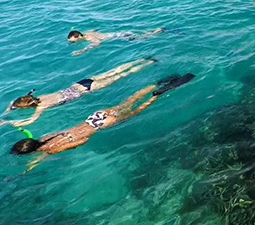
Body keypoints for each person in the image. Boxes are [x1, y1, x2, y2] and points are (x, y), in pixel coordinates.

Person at [10, 73, 195, 171]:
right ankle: (155, 84)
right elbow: (44, 149)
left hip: (100, 126)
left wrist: (71, 145)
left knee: (138, 110)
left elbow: (83, 141)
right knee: (127, 102)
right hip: (93, 117)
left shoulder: (52, 149)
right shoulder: (44, 138)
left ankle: (156, 94)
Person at [0, 57, 155, 127]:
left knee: (122, 75)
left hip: (87, 89)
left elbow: (29, 121)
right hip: (80, 83)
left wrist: (6, 121)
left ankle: (147, 64)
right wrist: (9, 108)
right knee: (114, 70)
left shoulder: (40, 107)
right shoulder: (36, 96)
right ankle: (141, 59)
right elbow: (15, 100)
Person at [68, 27, 163, 56]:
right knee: (141, 35)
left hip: (121, 36)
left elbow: (97, 43)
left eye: (74, 40)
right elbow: (94, 29)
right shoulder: (86, 32)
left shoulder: (89, 38)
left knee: (143, 37)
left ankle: (157, 31)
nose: (74, 42)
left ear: (79, 36)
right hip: (119, 33)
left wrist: (82, 50)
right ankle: (153, 31)